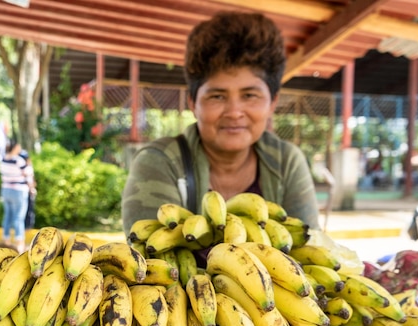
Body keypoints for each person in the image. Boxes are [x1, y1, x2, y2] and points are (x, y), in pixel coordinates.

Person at [121, 11, 320, 235]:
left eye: (249, 95)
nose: (234, 112)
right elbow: (148, 260)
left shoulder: (286, 162)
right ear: (193, 103)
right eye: (217, 96)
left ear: (272, 102)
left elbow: (311, 247)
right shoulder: (160, 162)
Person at [0, 138, 35, 252]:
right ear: (15, 147)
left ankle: (6, 241)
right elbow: (28, 175)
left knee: (8, 215)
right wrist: (32, 188)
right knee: (19, 218)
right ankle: (20, 245)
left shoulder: (3, 159)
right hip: (19, 191)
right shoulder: (18, 160)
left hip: (6, 190)